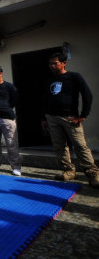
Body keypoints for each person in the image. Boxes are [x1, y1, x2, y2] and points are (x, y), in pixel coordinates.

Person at [42, 52, 99, 188]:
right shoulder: (49, 80)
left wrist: (83, 115)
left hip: (70, 118)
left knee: (80, 146)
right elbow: (45, 100)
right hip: (51, 118)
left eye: (55, 63)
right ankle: (68, 171)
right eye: (50, 63)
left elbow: (87, 95)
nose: (52, 66)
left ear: (63, 63)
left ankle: (93, 174)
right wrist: (43, 117)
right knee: (59, 146)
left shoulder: (74, 77)